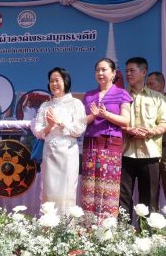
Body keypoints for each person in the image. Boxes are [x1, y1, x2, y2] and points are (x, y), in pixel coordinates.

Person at [81, 58, 132, 220]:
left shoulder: (122, 93)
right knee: (90, 185)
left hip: (111, 144)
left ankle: (106, 228)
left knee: (108, 186)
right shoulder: (89, 95)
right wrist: (93, 115)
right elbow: (81, 122)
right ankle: (88, 225)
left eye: (104, 70)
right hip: (91, 143)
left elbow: (126, 120)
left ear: (114, 73)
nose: (100, 73)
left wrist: (106, 115)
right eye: (97, 70)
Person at [33, 67, 86, 215]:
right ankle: (48, 226)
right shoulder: (45, 105)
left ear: (65, 82)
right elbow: (38, 131)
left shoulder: (75, 103)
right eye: (51, 81)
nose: (54, 84)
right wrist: (49, 125)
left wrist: (60, 122)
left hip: (68, 153)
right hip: (49, 152)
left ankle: (66, 229)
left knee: (66, 190)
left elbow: (79, 128)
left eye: (57, 80)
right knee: (49, 190)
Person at [120, 58, 166, 221]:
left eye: (132, 71)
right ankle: (122, 234)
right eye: (127, 71)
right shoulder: (122, 96)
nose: (128, 74)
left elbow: (164, 123)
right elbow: (116, 122)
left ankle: (147, 234)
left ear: (144, 72)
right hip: (126, 153)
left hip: (150, 154)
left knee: (150, 198)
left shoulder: (158, 98)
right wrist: (128, 129)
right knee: (123, 198)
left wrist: (151, 132)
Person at [146, 71, 166, 198]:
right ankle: (152, 217)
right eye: (147, 85)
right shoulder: (144, 103)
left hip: (164, 150)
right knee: (150, 192)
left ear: (162, 84)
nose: (149, 88)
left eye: (152, 84)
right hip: (148, 152)